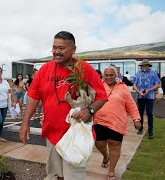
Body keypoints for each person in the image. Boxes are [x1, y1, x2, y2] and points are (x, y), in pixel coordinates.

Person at [19, 31, 107, 180]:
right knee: (57, 175)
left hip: (76, 134)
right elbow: (33, 97)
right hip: (52, 134)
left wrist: (89, 110)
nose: (56, 52)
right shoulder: (45, 69)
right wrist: (25, 122)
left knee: (73, 176)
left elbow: (102, 97)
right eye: (54, 48)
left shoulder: (84, 69)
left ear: (73, 49)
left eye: (61, 48)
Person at [94, 66, 141, 180]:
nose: (109, 77)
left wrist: (136, 119)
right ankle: (106, 156)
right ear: (103, 76)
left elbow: (131, 104)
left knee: (115, 144)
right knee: (99, 143)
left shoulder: (123, 87)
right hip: (99, 120)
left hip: (117, 121)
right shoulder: (98, 86)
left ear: (116, 76)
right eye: (107, 75)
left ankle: (111, 171)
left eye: (111, 75)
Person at [133, 59, 160, 139]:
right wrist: (138, 91)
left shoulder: (153, 73)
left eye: (145, 65)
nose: (144, 67)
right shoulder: (138, 74)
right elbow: (134, 84)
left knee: (149, 114)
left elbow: (157, 84)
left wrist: (148, 90)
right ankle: (140, 129)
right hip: (140, 96)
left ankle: (150, 132)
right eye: (143, 65)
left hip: (149, 97)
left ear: (148, 66)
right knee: (140, 114)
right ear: (141, 66)